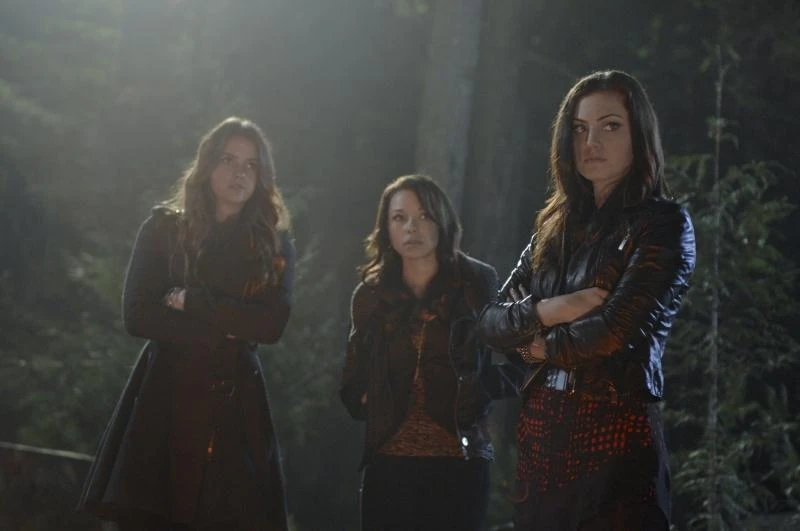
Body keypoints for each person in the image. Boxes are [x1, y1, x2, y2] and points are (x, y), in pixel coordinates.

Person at [478, 70, 696, 530]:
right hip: (541, 436)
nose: (591, 142)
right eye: (579, 128)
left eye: (610, 126)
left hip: (616, 435)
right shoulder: (552, 228)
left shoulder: (664, 224)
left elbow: (617, 331)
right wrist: (551, 309)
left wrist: (539, 345)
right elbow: (491, 324)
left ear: (639, 134)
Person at [78, 117, 295, 530]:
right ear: (208, 164)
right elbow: (138, 314)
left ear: (262, 176)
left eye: (250, 164)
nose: (239, 172)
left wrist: (192, 301)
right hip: (165, 395)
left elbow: (271, 325)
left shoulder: (275, 245)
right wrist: (227, 329)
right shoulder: (164, 229)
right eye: (228, 159)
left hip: (235, 404)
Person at [339, 174, 522, 531]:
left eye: (424, 215)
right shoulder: (370, 294)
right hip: (388, 464)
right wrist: (366, 395)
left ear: (442, 221)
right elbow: (351, 384)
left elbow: (521, 362)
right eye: (399, 218)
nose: (412, 227)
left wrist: (481, 387)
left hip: (460, 461)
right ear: (386, 229)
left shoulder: (476, 282)